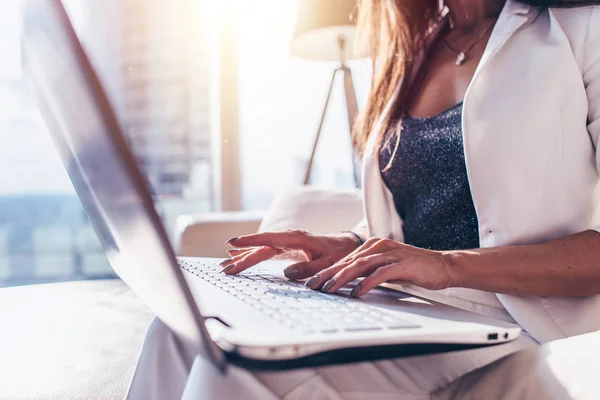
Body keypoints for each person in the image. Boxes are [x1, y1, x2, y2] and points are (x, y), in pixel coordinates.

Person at [128, 0, 600, 398]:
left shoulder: (581, 30)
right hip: (404, 307)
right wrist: (349, 245)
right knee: (174, 333)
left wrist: (449, 265)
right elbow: (412, 222)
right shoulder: (414, 46)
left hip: (516, 322)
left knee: (233, 371)